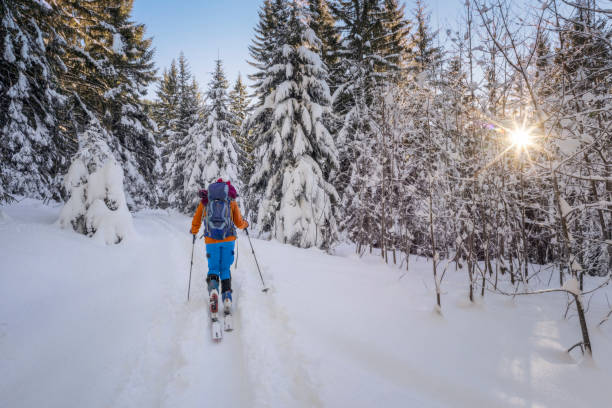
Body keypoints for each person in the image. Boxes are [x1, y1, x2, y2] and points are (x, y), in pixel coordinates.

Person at [191, 179, 248, 317]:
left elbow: (197, 219)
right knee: (225, 269)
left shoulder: (205, 201)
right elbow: (239, 222)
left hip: (211, 240)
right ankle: (227, 297)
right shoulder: (230, 200)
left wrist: (194, 231)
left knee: (213, 269)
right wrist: (245, 225)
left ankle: (214, 292)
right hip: (228, 239)